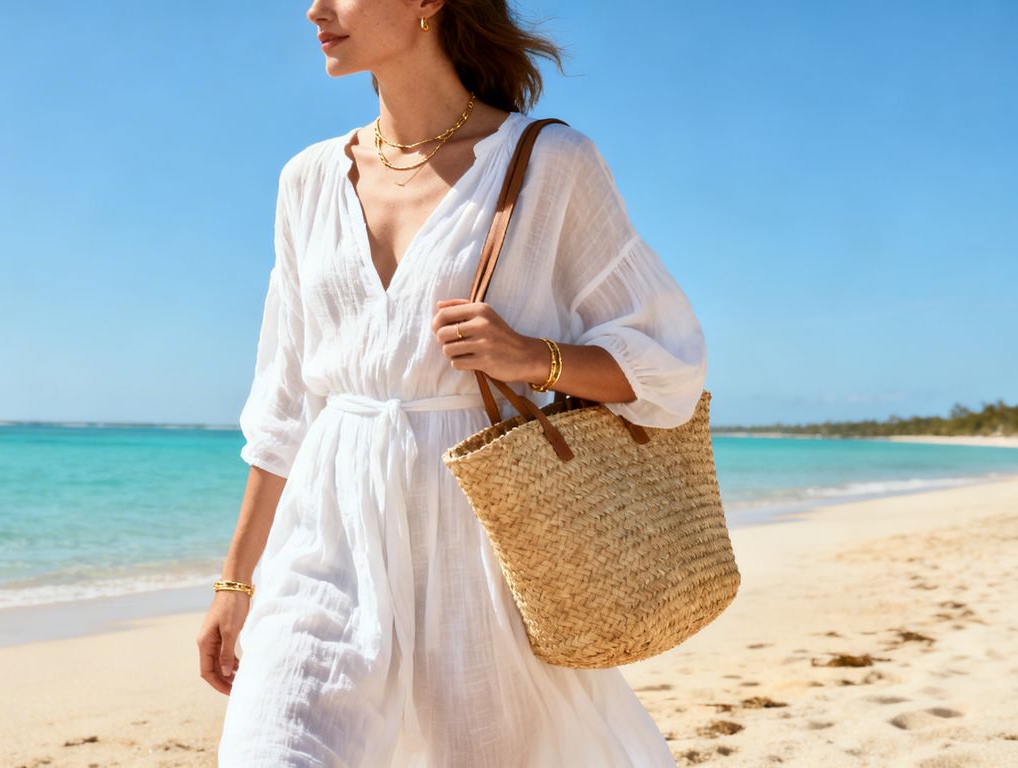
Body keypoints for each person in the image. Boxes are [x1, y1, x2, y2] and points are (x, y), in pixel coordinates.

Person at [198, 0, 706, 765]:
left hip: (480, 536)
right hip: (327, 536)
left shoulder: (549, 163)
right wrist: (236, 585)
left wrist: (535, 358)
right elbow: (283, 404)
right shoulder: (307, 180)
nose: (314, 9)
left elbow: (669, 361)